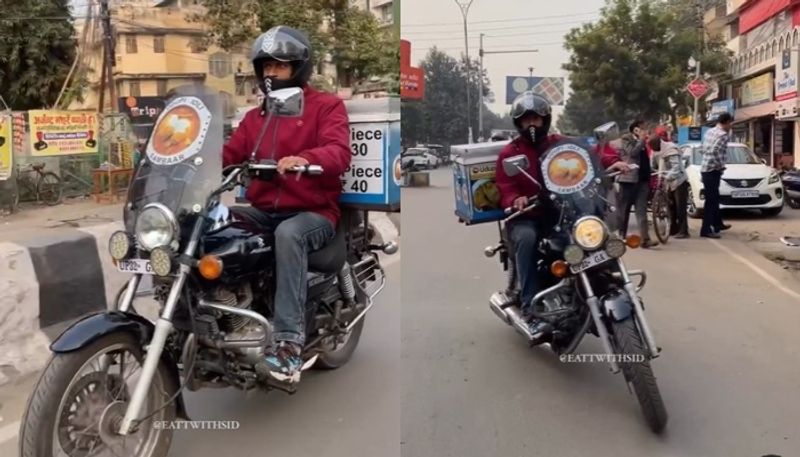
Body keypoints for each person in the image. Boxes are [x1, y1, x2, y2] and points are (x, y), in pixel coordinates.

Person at [222, 25, 351, 384]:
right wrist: (187, 163)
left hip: (313, 211)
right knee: (217, 224)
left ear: (299, 67)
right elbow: (228, 155)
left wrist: (304, 159)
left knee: (289, 234)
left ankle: (288, 346)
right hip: (264, 210)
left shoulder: (326, 107)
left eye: (279, 66)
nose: (270, 74)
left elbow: (339, 152)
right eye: (265, 66)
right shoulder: (255, 119)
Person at [495, 92, 628, 341]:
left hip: (565, 211)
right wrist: (516, 200)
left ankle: (605, 285)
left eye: (536, 118)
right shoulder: (510, 153)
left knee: (596, 235)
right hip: (529, 214)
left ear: (545, 119)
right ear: (518, 123)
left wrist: (613, 163)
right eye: (526, 120)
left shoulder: (563, 144)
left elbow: (591, 156)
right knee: (526, 238)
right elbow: (505, 186)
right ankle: (529, 309)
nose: (532, 124)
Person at [619, 119, 658, 248]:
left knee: (641, 212)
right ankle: (621, 237)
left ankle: (645, 239)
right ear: (635, 129)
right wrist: (641, 139)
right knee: (624, 210)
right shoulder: (626, 139)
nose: (645, 131)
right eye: (642, 128)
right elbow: (632, 153)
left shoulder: (643, 142)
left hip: (642, 182)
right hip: (629, 181)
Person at [699, 112, 734, 238]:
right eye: (730, 123)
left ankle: (718, 223)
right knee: (711, 200)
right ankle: (706, 229)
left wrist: (708, 157)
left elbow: (701, 148)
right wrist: (720, 165)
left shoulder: (709, 131)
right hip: (713, 170)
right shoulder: (723, 135)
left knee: (714, 197)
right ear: (726, 122)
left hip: (705, 168)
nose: (731, 126)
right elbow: (715, 151)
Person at [651, 136, 690, 238]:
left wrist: (666, 176)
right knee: (671, 207)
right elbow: (654, 165)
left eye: (654, 147)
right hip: (667, 182)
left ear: (659, 144)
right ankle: (673, 228)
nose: (653, 150)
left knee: (680, 207)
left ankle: (683, 231)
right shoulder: (656, 151)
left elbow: (676, 168)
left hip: (679, 181)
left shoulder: (671, 149)